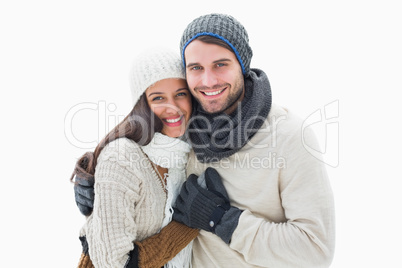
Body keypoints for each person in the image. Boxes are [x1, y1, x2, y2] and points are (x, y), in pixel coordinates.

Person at [75, 13, 336, 268]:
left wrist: (221, 220)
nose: (208, 81)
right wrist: (99, 192)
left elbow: (316, 249)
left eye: (220, 64)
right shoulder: (186, 126)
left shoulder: (289, 137)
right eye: (196, 68)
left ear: (242, 65)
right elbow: (139, 164)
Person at [71, 47, 199, 268]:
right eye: (158, 98)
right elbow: (115, 263)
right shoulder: (122, 157)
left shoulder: (185, 153)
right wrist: (186, 226)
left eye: (180, 94)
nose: (173, 107)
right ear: (142, 104)